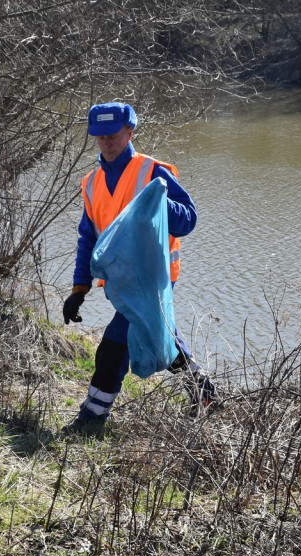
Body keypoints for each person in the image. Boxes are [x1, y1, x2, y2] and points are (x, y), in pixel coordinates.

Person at [62, 101, 216, 434]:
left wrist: (162, 202)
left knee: (114, 346)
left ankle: (92, 418)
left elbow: (188, 220)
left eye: (113, 135)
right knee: (161, 338)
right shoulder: (91, 183)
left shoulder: (152, 172)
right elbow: (87, 238)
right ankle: (204, 391)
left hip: (154, 280)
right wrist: (79, 289)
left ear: (130, 131)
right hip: (121, 282)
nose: (107, 142)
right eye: (100, 137)